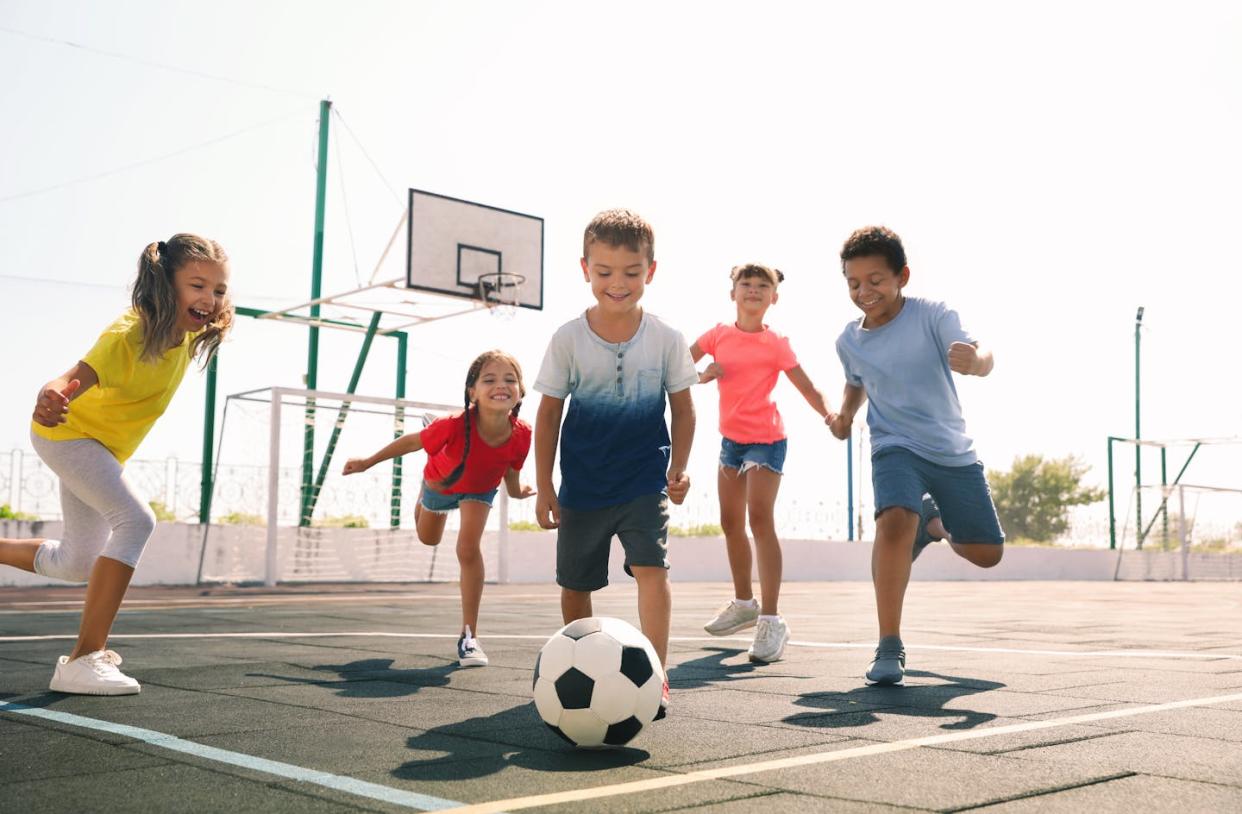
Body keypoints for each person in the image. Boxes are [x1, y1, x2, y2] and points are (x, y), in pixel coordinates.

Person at [0, 234, 233, 695]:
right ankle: (82, 660)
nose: (209, 299)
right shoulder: (131, 332)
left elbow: (214, 317)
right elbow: (72, 376)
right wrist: (52, 393)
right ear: (166, 287)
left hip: (100, 450)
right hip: (68, 436)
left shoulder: (187, 335)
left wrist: (216, 313)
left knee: (75, 563)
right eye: (197, 285)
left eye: (219, 290)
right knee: (136, 521)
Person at [533, 208, 697, 719]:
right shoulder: (567, 338)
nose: (617, 283)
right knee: (576, 584)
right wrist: (544, 485)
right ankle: (573, 664)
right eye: (604, 272)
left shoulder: (667, 338)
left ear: (651, 270)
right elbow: (548, 414)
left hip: (644, 480)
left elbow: (684, 408)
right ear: (585, 269)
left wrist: (680, 467)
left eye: (630, 272)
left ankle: (658, 678)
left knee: (652, 568)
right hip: (582, 484)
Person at [827, 226, 1004, 687]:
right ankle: (889, 644)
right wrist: (845, 416)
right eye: (853, 283)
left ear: (902, 276)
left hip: (950, 449)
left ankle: (935, 524)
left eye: (875, 280)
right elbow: (857, 380)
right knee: (893, 521)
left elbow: (980, 351)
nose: (864, 291)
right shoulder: (849, 340)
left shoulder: (933, 315)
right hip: (893, 444)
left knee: (988, 553)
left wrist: (977, 361)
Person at [343, 349, 533, 668]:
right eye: (489, 379)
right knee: (429, 539)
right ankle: (424, 489)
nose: (501, 385)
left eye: (509, 380)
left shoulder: (523, 433)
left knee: (467, 549)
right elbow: (410, 442)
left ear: (521, 391)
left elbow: (511, 471)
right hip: (439, 485)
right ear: (472, 392)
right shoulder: (454, 424)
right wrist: (366, 462)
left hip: (479, 489)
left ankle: (468, 636)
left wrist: (518, 492)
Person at [692, 263, 834, 664]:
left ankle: (771, 620)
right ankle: (744, 603)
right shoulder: (717, 335)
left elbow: (806, 385)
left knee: (759, 519)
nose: (753, 290)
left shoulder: (776, 344)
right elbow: (678, 365)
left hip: (767, 440)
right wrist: (702, 375)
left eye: (762, 286)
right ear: (732, 292)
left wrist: (829, 415)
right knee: (729, 523)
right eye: (746, 284)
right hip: (731, 442)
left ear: (774, 297)